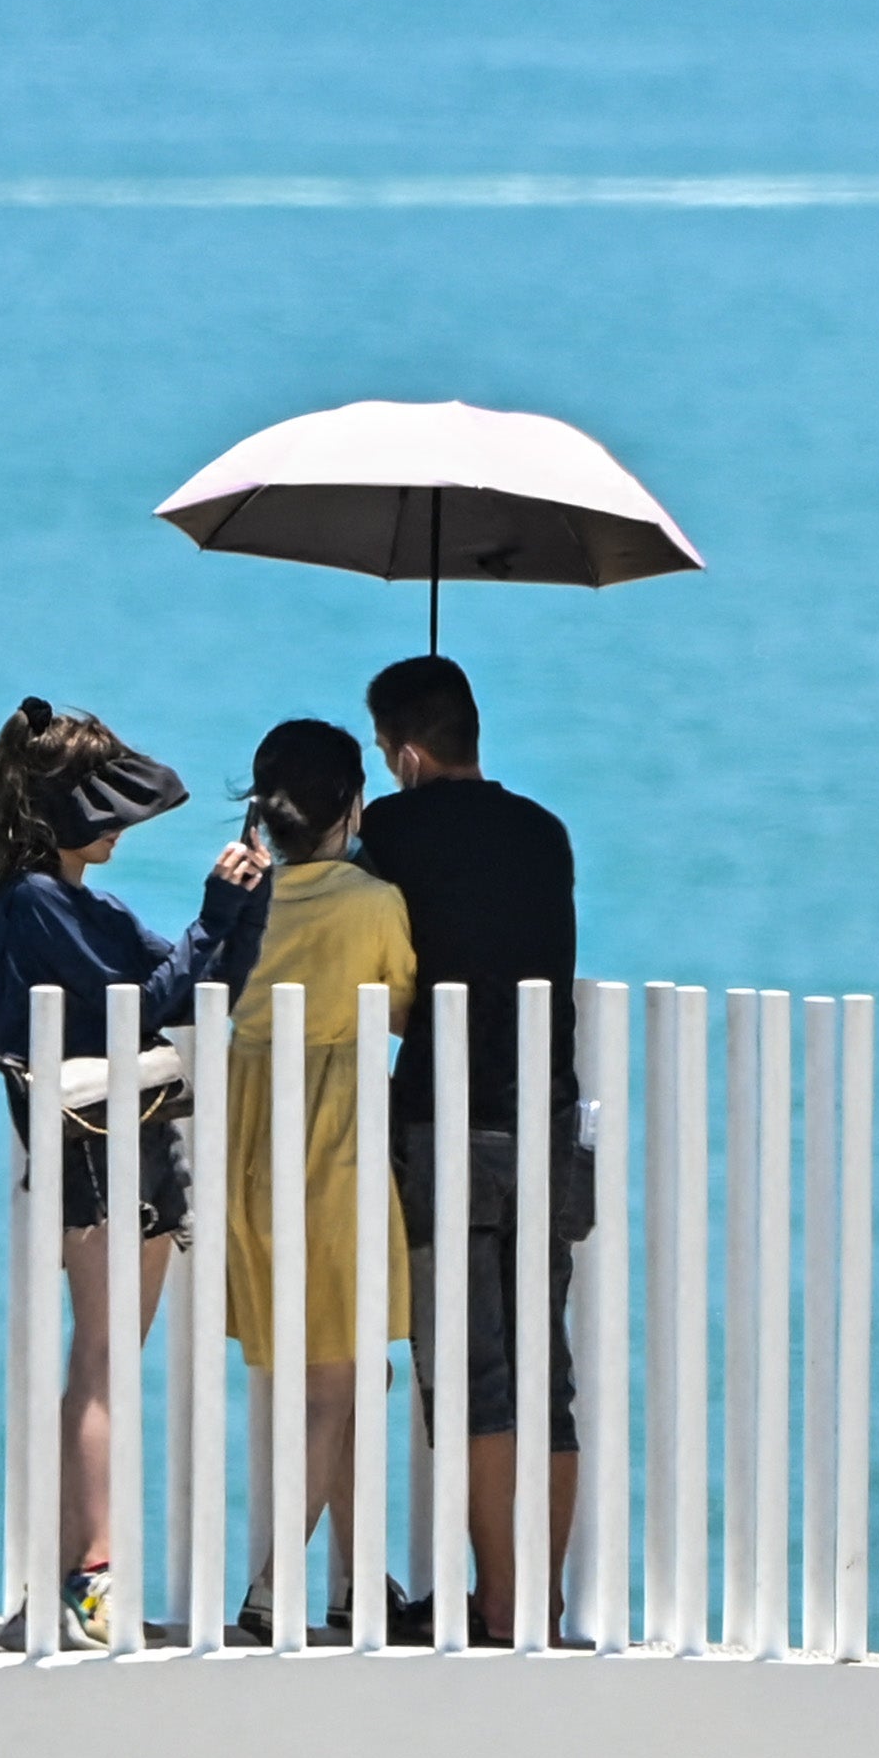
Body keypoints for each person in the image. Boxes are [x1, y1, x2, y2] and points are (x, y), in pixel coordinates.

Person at [353, 652, 585, 1644]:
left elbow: (376, 953)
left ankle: (494, 1601)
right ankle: (543, 1595)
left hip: (443, 1124)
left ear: (404, 751)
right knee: (546, 1371)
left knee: (471, 1375)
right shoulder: (545, 832)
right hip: (545, 1117)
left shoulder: (390, 829)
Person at [0, 698, 197, 1648]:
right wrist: (225, 914)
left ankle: (61, 1577)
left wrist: (230, 919)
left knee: (100, 1367)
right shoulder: (42, 905)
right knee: (101, 1365)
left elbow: (178, 980)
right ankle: (92, 1571)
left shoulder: (65, 905)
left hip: (117, 1156)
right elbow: (156, 997)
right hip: (106, 1164)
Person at [214, 714, 419, 1643]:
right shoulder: (372, 903)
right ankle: (272, 1586)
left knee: (339, 1368)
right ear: (354, 808)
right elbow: (410, 1001)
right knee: (338, 1378)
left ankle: (358, 1578)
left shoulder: (249, 899)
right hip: (333, 1145)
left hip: (251, 1144)